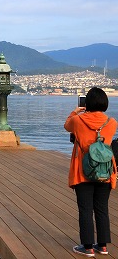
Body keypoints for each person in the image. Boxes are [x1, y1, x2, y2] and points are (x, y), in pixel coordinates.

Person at [65, 87, 117, 257]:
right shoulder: (112, 122)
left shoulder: (78, 121)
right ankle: (102, 246)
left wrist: (75, 111)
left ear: (87, 103)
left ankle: (87, 247)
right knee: (102, 209)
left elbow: (67, 125)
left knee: (85, 209)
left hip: (83, 171)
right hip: (105, 170)